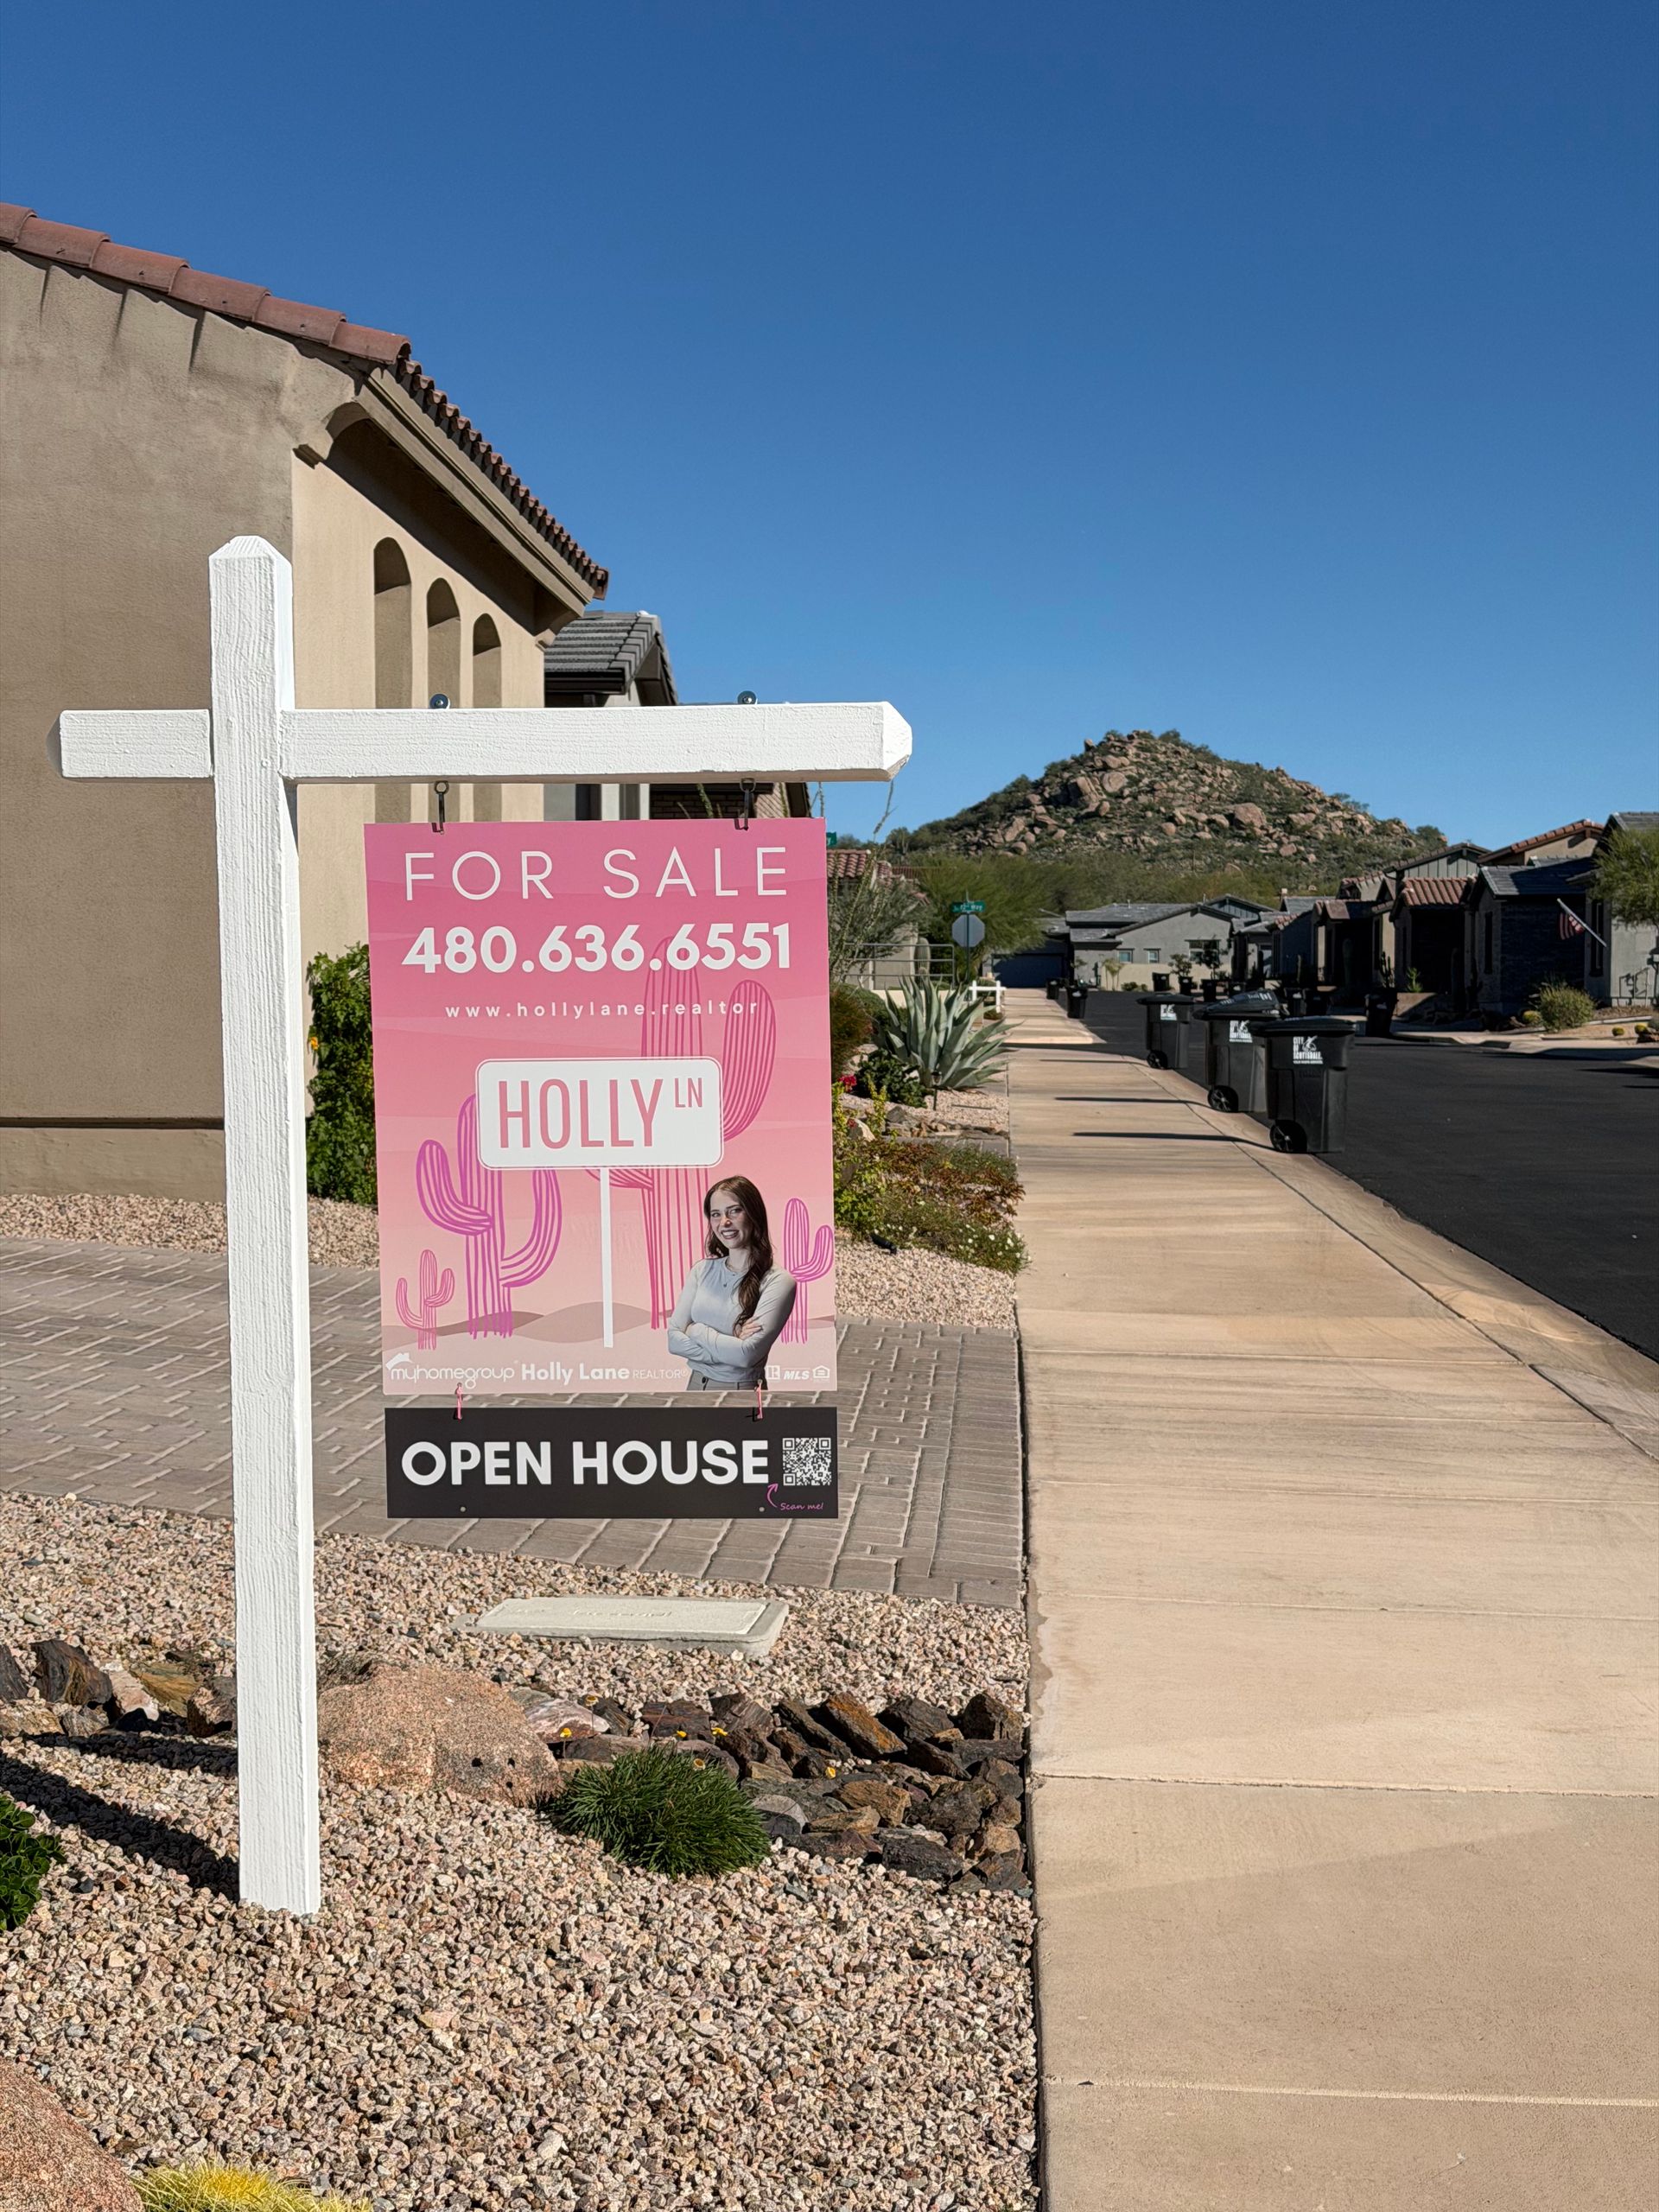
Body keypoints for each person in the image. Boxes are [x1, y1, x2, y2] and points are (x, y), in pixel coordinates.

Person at [666, 1177, 798, 1390]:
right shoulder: (702, 1270)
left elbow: (746, 1356)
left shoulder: (778, 1281)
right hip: (695, 1386)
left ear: (753, 1214)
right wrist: (730, 1345)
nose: (724, 1222)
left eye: (734, 1211)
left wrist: (696, 1330)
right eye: (716, 1214)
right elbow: (673, 1340)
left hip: (740, 1391)